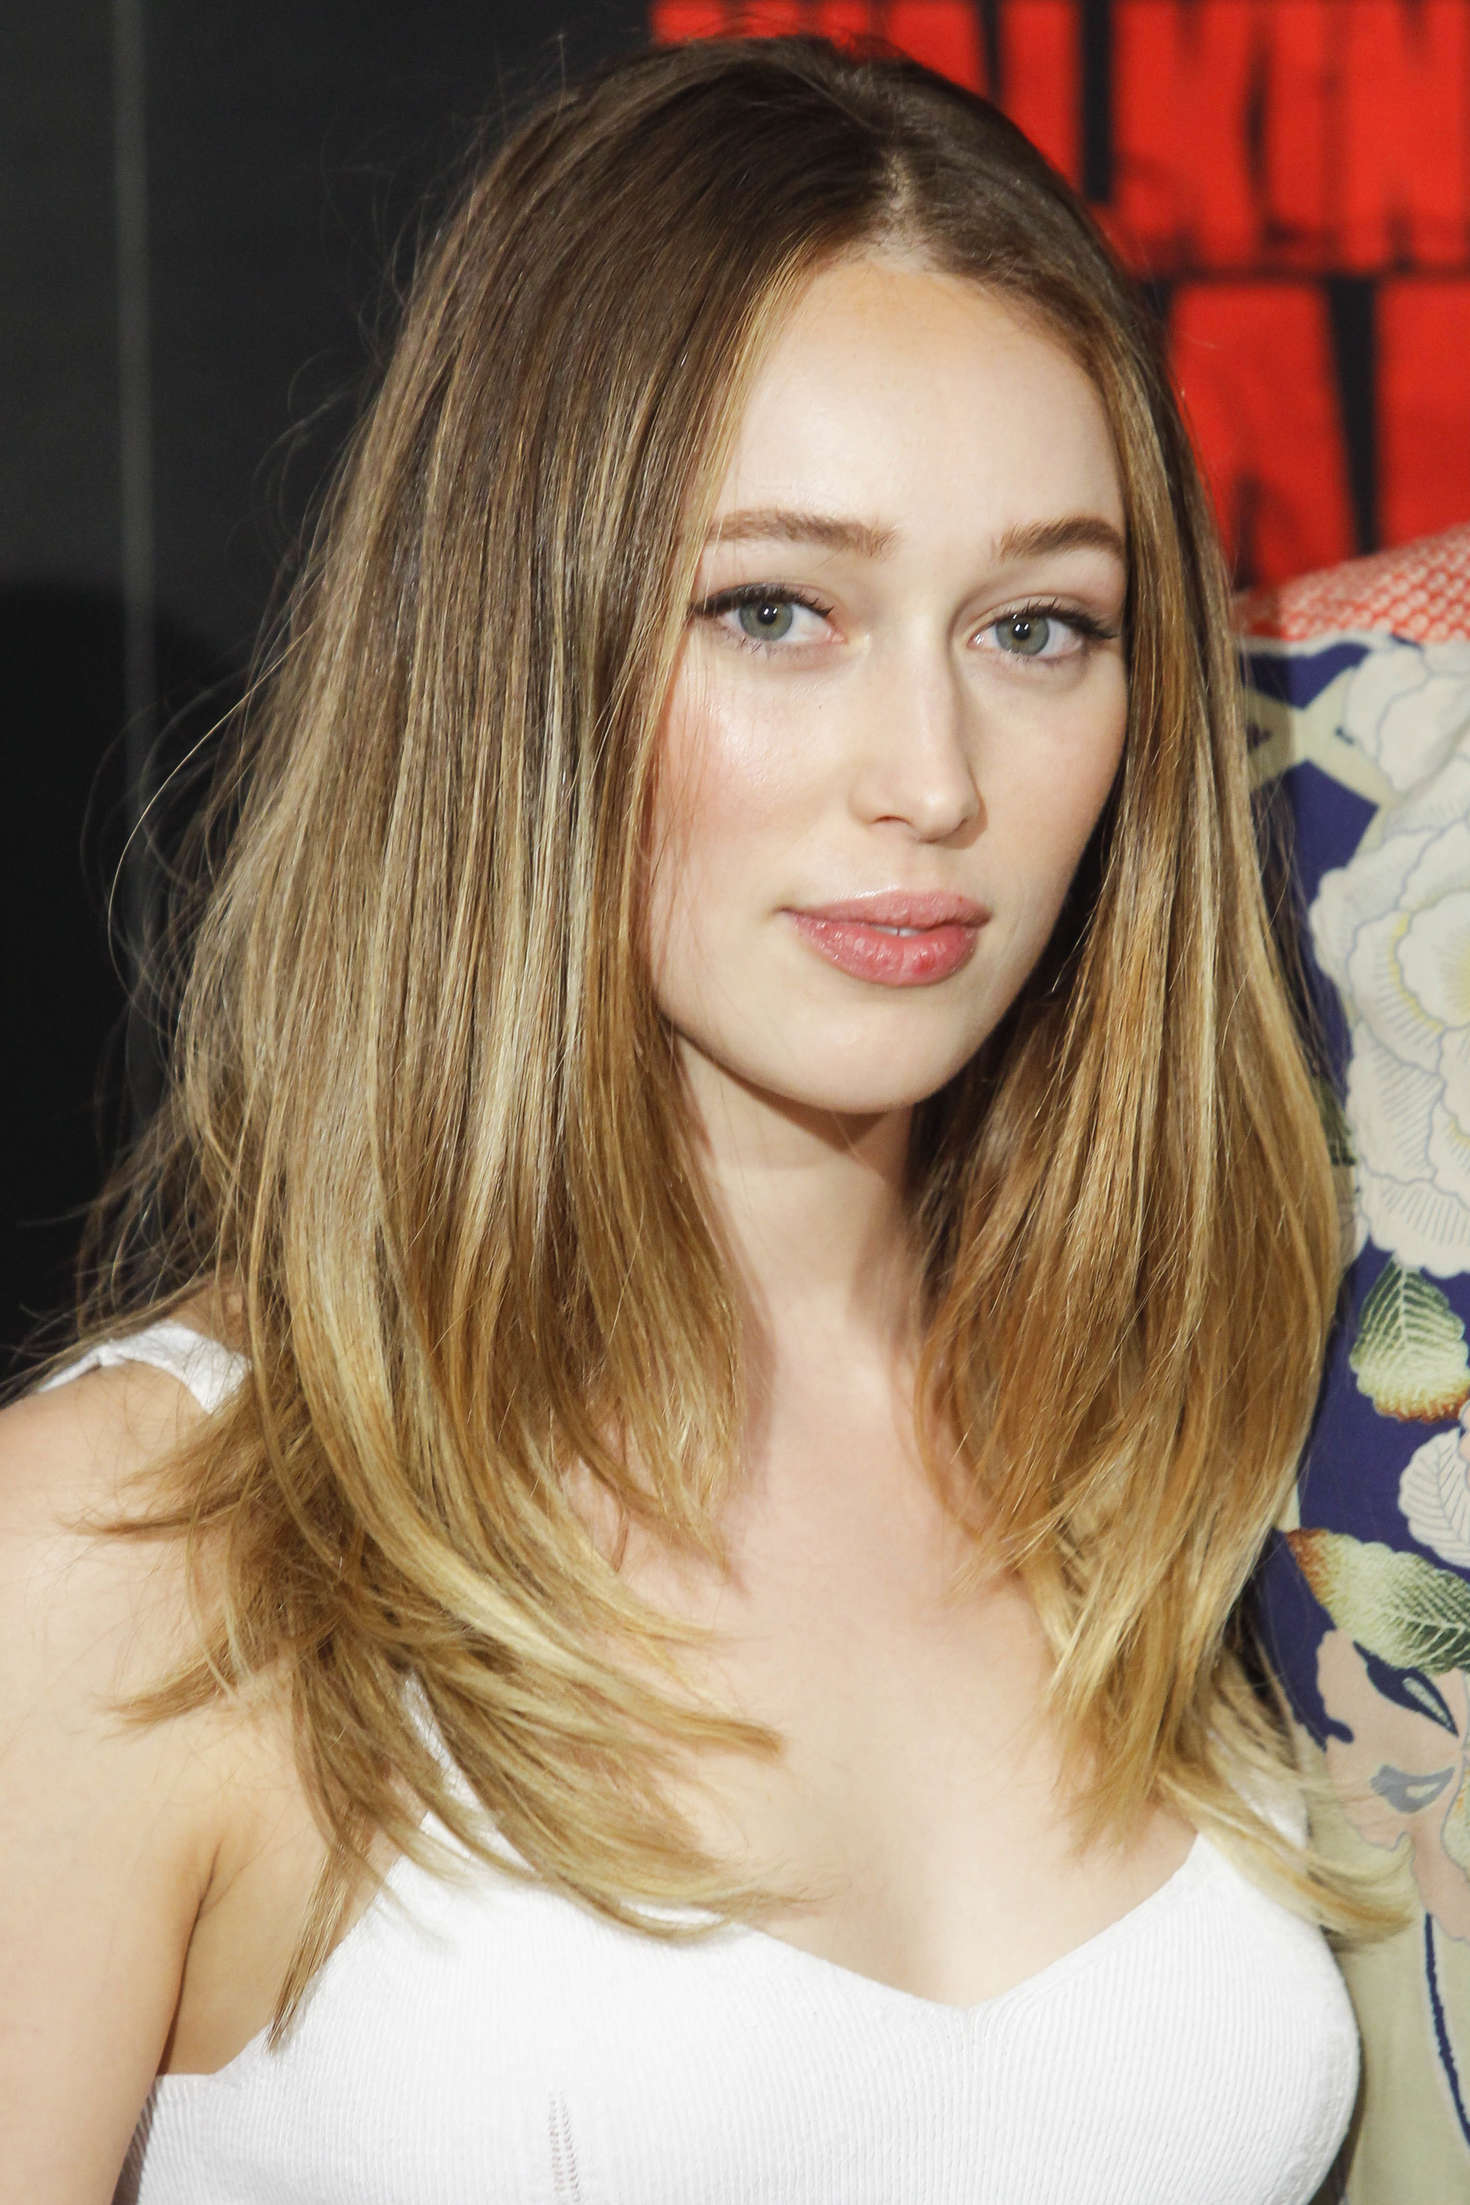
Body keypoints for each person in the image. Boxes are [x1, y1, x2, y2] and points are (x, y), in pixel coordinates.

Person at [0, 33, 1376, 2202]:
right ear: (517, 652)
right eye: (773, 610)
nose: (929, 774)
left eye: (1038, 625)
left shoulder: (1186, 1442)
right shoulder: (129, 1552)